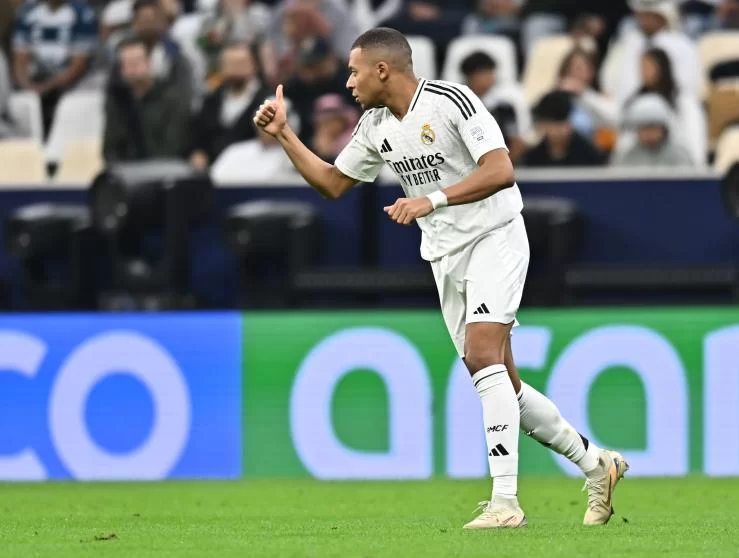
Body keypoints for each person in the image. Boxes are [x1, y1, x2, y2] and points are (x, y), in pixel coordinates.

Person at [253, 27, 628, 529]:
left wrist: (433, 199)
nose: (348, 82)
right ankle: (596, 464)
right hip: (445, 257)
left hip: (496, 236)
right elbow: (331, 183)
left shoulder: (452, 100)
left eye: (353, 70)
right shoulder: (374, 127)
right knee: (502, 382)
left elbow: (500, 169)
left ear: (382, 69)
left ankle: (505, 503)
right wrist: (284, 134)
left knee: (481, 356)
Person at [12, 0, 97, 134]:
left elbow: (78, 64)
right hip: (36, 77)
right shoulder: (27, 10)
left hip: (70, 80)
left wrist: (48, 86)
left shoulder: (82, 11)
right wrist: (26, 85)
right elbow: (20, 59)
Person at [103, 36, 191, 162]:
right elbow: (110, 147)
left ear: (149, 63)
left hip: (165, 170)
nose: (133, 68)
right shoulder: (117, 101)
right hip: (127, 173)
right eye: (127, 64)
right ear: (121, 69)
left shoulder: (171, 98)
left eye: (137, 62)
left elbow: (175, 145)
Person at [189, 43, 270, 171]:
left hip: (253, 171)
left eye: (240, 64)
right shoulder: (211, 101)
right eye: (230, 64)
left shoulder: (266, 100)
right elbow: (198, 136)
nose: (235, 70)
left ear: (253, 66)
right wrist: (198, 154)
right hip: (212, 172)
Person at [523, 90, 607, 167]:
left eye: (561, 123)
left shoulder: (589, 154)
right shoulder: (534, 157)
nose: (558, 130)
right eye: (552, 124)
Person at [612, 93, 695, 167]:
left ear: (663, 128)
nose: (648, 133)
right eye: (643, 128)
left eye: (652, 127)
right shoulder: (628, 155)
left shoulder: (679, 154)